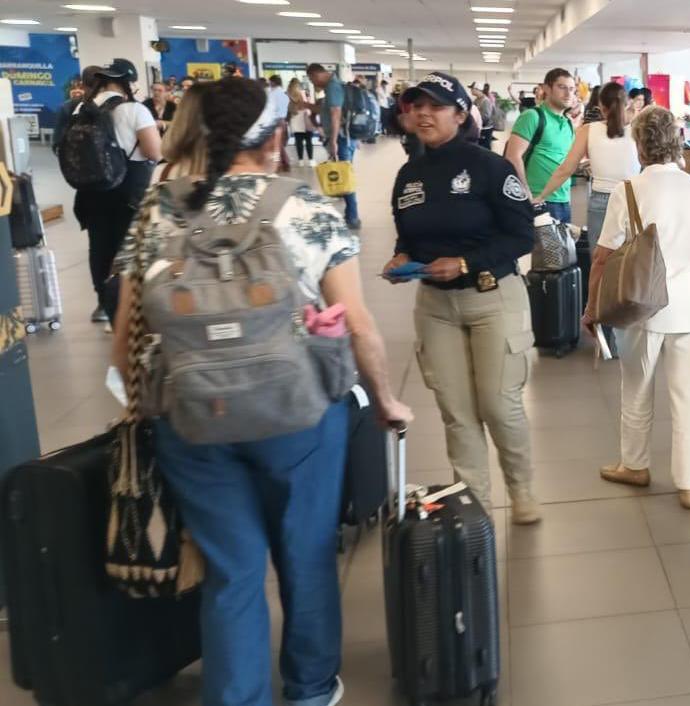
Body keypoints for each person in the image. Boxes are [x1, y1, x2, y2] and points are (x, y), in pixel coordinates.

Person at [110, 75, 411, 706]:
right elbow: (357, 324)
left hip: (192, 417)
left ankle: (237, 696)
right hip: (298, 416)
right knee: (307, 558)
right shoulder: (305, 208)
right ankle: (310, 688)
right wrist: (385, 401)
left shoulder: (157, 209)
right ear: (275, 139)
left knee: (231, 568)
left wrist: (149, 405)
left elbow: (126, 337)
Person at [383, 72, 544, 525]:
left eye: (435, 106)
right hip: (436, 307)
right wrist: (401, 257)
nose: (423, 114)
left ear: (459, 114)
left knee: (498, 404)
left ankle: (522, 490)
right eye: (417, 106)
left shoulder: (490, 167)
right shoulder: (408, 176)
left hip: (493, 298)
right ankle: (475, 506)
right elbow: (408, 236)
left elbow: (522, 236)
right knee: (456, 411)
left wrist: (466, 263)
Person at [585, 106, 690, 508]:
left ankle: (635, 466)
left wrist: (591, 308)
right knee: (689, 399)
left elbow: (602, 258)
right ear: (676, 143)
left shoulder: (627, 191)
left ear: (639, 146)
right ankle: (689, 485)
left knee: (636, 390)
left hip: (641, 307)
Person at [71, 59, 162, 328]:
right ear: (126, 83)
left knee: (99, 247)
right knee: (131, 247)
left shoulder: (81, 109)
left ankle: (104, 304)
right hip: (128, 189)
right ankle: (132, 308)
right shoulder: (134, 110)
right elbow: (154, 151)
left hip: (91, 190)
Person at [535, 81, 639, 233]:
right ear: (627, 104)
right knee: (634, 247)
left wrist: (541, 196)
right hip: (632, 198)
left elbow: (566, 169)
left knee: (600, 249)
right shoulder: (639, 130)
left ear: (601, 106)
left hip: (601, 200)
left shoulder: (588, 130)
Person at [505, 68, 578, 223]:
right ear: (547, 88)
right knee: (542, 240)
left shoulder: (568, 124)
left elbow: (565, 159)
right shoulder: (532, 116)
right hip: (538, 199)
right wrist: (526, 192)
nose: (568, 93)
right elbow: (512, 156)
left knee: (563, 240)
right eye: (562, 87)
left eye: (571, 89)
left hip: (563, 200)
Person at [307, 63, 360, 229]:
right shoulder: (334, 86)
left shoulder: (333, 87)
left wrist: (334, 140)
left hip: (341, 138)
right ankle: (350, 215)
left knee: (344, 177)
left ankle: (352, 217)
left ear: (316, 75)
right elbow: (327, 110)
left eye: (312, 80)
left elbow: (336, 113)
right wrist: (307, 106)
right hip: (345, 137)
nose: (313, 84)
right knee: (344, 175)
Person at [287, 78, 315, 167]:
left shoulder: (289, 94)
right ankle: (311, 160)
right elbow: (307, 104)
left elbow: (288, 108)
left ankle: (300, 160)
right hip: (304, 118)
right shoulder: (302, 93)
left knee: (298, 141)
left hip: (295, 118)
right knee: (308, 140)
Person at [268, 75, 292, 173]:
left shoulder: (272, 94)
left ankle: (283, 163)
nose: (269, 84)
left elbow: (269, 108)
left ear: (273, 82)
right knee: (279, 143)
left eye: (270, 82)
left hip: (274, 120)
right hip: (283, 120)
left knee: (276, 143)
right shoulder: (284, 94)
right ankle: (284, 163)